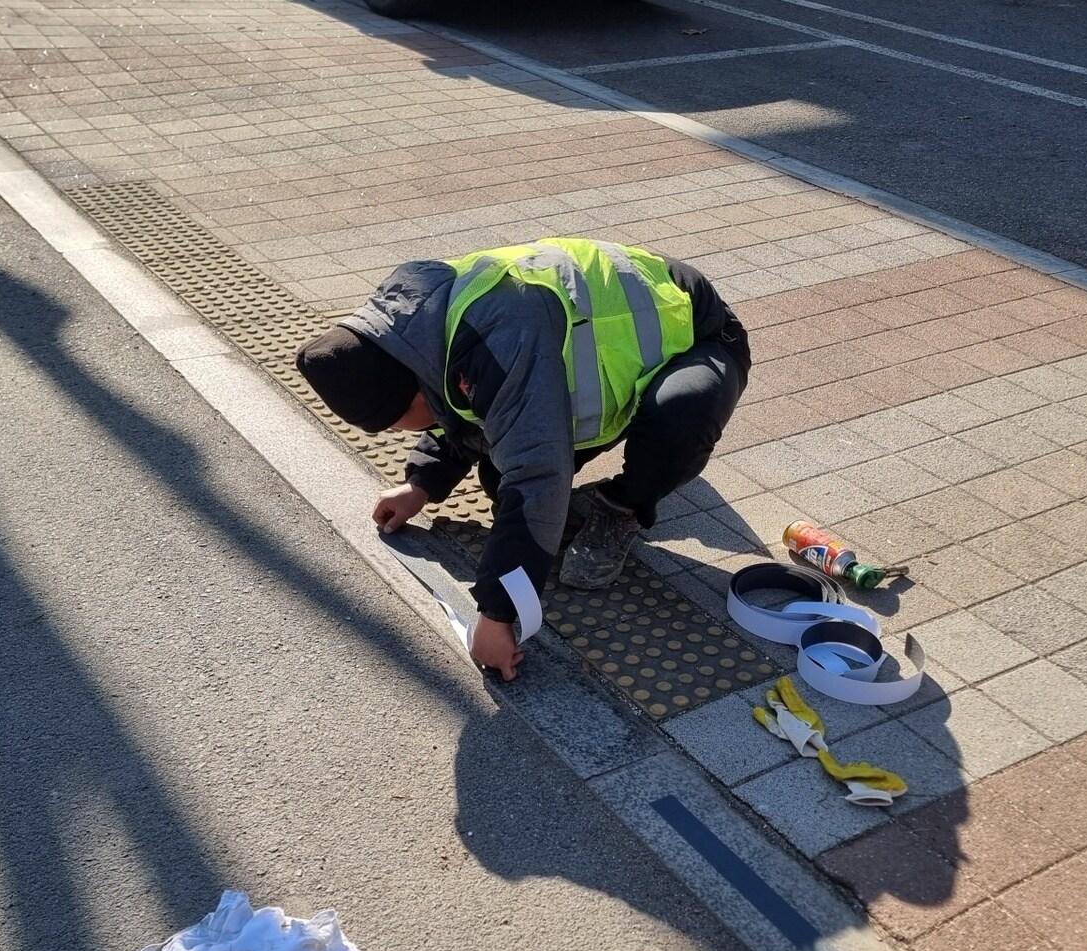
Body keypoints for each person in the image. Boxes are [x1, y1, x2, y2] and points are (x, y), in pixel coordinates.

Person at [296, 237, 751, 681]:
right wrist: (422, 483)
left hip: (698, 335)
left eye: (397, 421)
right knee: (500, 479)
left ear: (414, 388)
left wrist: (497, 614)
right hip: (598, 347)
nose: (399, 431)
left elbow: (536, 472)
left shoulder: (501, 336)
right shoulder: (408, 333)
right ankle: (616, 463)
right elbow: (462, 405)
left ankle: (623, 507)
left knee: (677, 419)